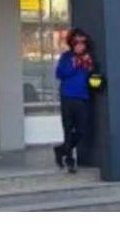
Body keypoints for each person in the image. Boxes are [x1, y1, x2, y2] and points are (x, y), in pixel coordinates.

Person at [53, 29, 94, 174]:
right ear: (72, 43)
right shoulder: (66, 57)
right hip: (68, 96)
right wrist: (74, 64)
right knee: (68, 128)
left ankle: (61, 150)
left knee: (82, 130)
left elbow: (91, 74)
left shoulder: (88, 58)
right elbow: (59, 74)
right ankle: (69, 159)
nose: (80, 45)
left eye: (83, 42)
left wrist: (90, 68)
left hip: (82, 96)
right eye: (77, 42)